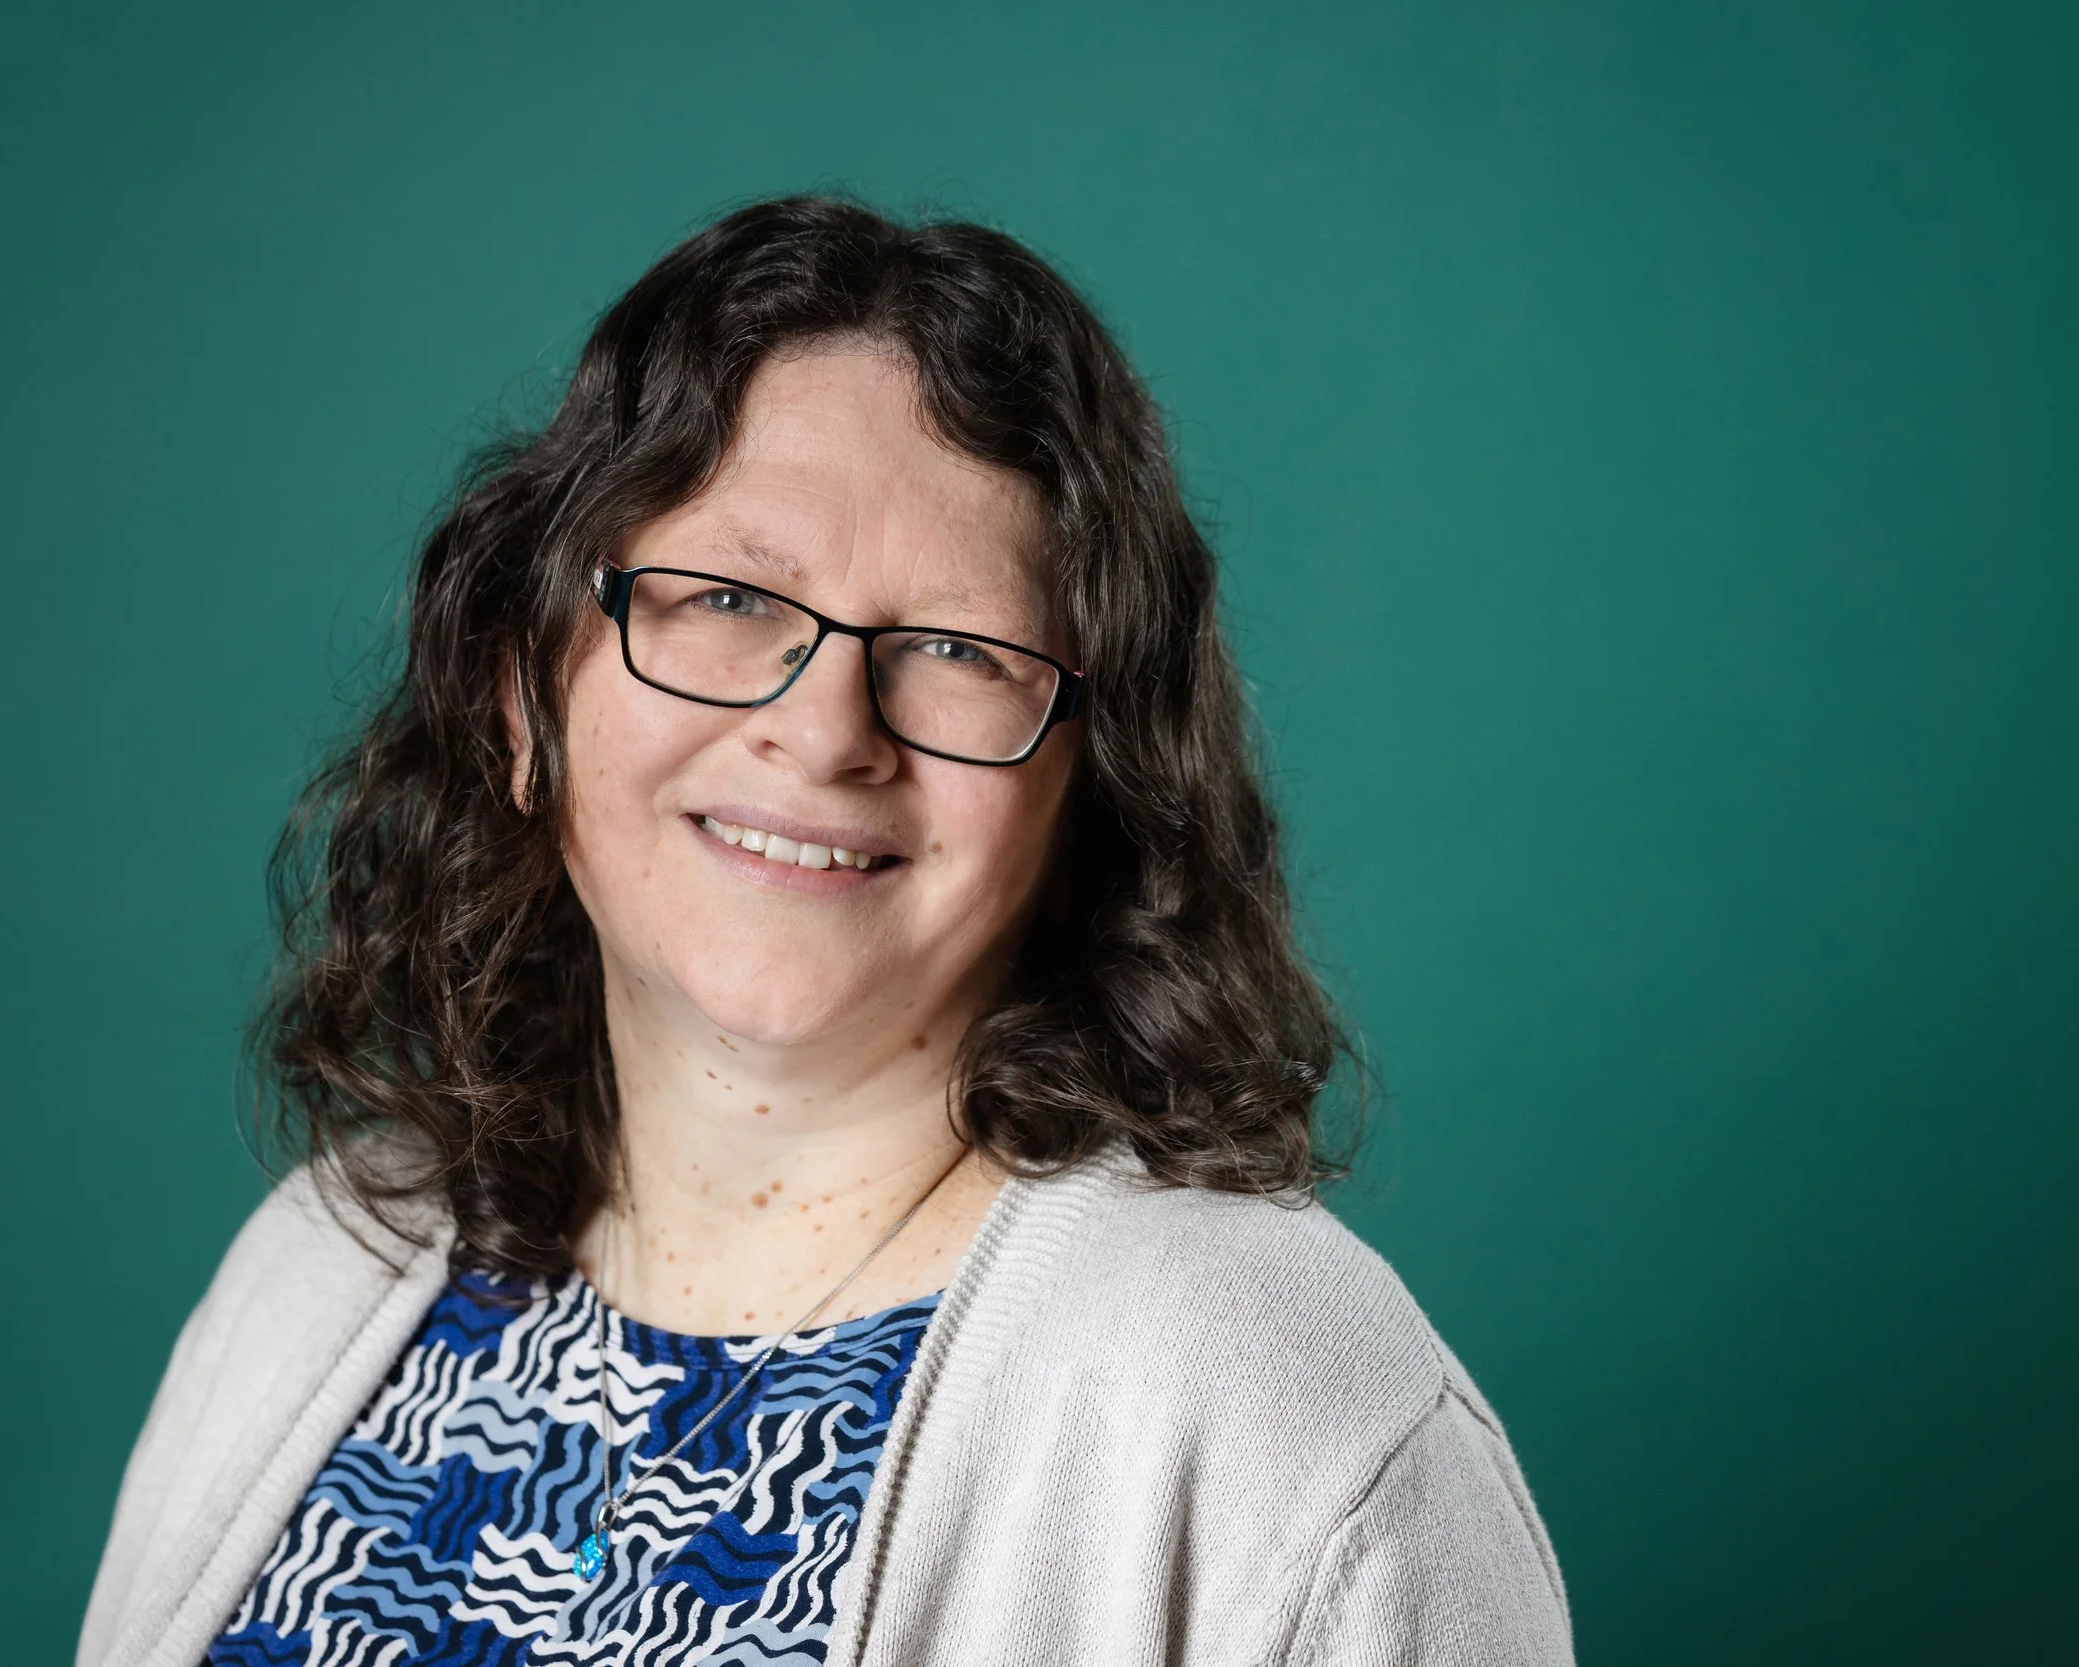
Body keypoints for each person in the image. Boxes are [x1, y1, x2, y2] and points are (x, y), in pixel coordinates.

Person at [78, 196, 1571, 1667]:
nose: (823, 727)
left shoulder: (1280, 1411)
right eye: (727, 595)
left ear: (1090, 789)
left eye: (954, 649)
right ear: (522, 702)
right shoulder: (323, 1271)